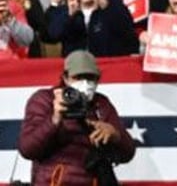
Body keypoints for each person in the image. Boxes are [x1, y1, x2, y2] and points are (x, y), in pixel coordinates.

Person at [18, 50, 136, 186]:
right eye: (78, 77)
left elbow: (128, 154)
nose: (85, 83)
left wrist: (115, 134)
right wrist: (54, 120)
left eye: (91, 77)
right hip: (53, 181)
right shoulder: (45, 99)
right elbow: (27, 149)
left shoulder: (101, 104)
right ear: (65, 77)